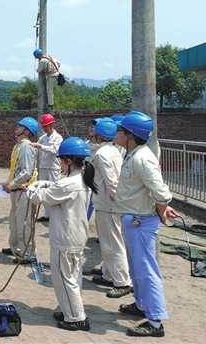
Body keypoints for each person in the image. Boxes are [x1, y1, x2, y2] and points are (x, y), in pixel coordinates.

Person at [115, 111, 179, 338]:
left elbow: (160, 190)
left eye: (120, 130)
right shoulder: (133, 153)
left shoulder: (142, 158)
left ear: (130, 135)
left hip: (141, 221)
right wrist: (161, 205)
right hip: (135, 219)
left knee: (146, 271)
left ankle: (155, 322)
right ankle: (141, 305)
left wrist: (162, 205)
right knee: (136, 269)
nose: (117, 133)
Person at [25, 137, 96, 332]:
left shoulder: (69, 184)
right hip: (76, 236)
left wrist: (32, 187)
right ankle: (69, 309)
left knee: (64, 278)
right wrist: (44, 183)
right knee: (74, 275)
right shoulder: (81, 178)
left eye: (61, 160)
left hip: (65, 238)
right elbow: (57, 187)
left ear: (68, 161)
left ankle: (76, 318)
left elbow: (39, 197)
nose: (60, 164)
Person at [89, 118, 133, 298]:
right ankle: (109, 275)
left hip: (109, 205)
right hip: (109, 204)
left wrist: (119, 204)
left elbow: (111, 182)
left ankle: (123, 282)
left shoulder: (102, 154)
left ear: (98, 135)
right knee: (108, 243)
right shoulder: (115, 150)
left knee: (114, 244)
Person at [1, 117, 38, 264]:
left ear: (27, 131)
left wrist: (13, 183)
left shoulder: (26, 147)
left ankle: (27, 253)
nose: (16, 127)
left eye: (20, 126)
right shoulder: (18, 146)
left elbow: (26, 172)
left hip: (24, 191)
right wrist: (10, 183)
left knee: (24, 223)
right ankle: (17, 247)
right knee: (15, 221)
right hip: (16, 190)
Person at [32, 113, 63, 221]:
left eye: (47, 126)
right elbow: (37, 151)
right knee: (44, 191)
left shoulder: (58, 138)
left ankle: (57, 215)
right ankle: (47, 215)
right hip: (43, 167)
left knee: (54, 191)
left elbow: (54, 150)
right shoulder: (42, 138)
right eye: (44, 126)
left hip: (53, 168)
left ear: (52, 125)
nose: (45, 128)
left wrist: (40, 146)